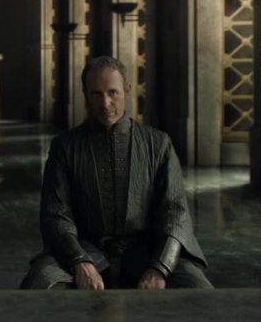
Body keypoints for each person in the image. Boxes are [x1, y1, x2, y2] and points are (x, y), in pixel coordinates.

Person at [21, 56, 212, 290]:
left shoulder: (158, 143)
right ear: (85, 95)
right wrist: (79, 260)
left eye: (113, 93)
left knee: (200, 290)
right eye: (96, 94)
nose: (105, 103)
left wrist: (160, 267)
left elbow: (175, 213)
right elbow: (56, 214)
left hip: (147, 251)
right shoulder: (65, 146)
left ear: (127, 90)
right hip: (87, 249)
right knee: (38, 285)